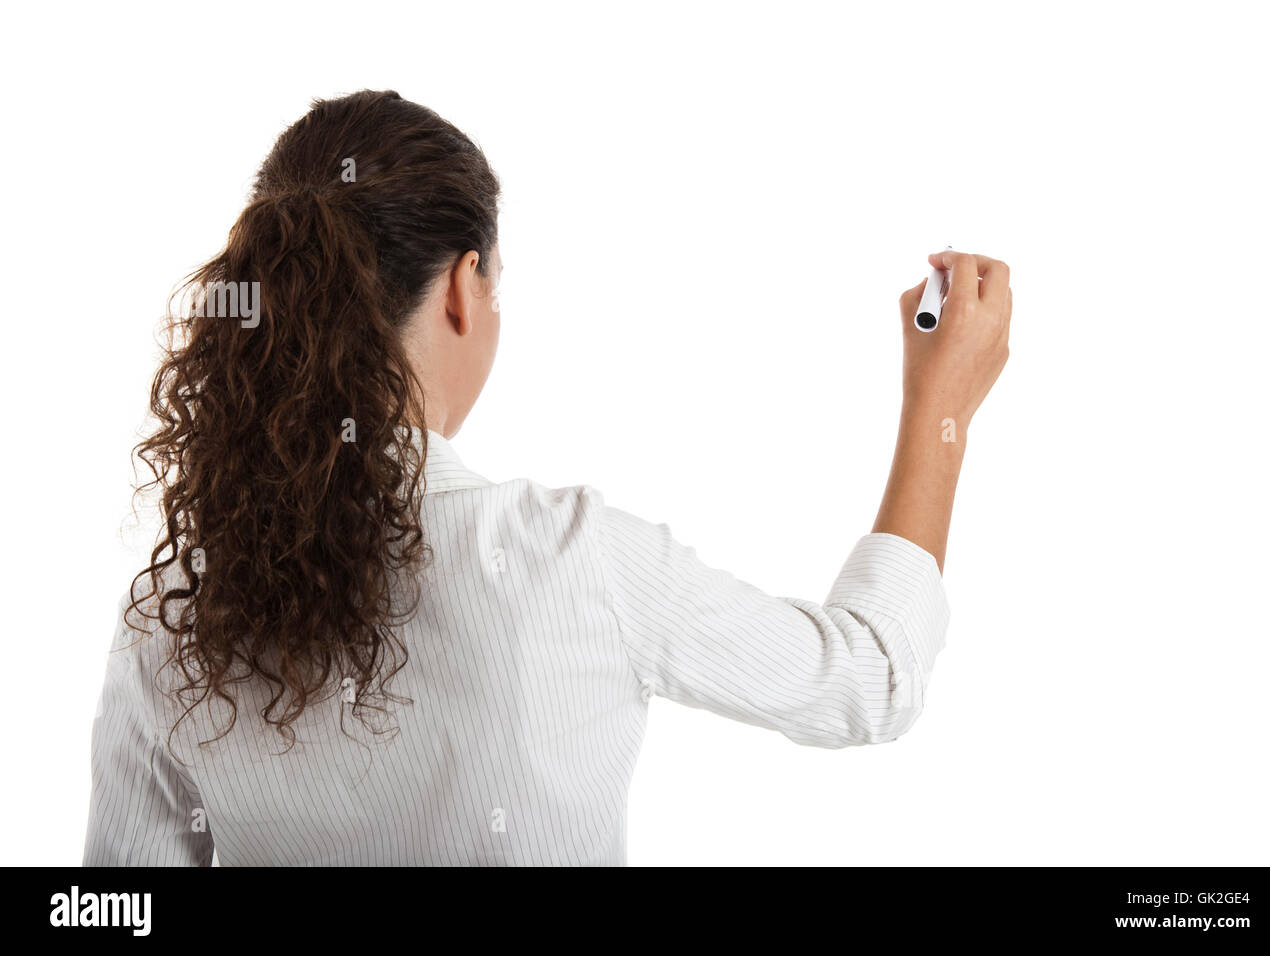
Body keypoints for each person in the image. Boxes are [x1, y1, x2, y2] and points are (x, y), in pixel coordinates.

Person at [83, 89, 1012, 866]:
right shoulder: (568, 562)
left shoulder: (169, 616)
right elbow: (870, 677)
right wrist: (943, 408)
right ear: (463, 286)